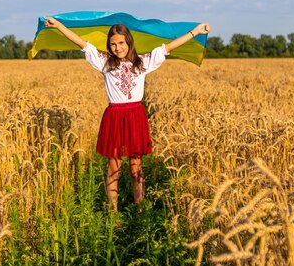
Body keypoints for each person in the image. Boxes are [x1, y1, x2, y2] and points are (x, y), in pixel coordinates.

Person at [43, 16, 211, 211]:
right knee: (113, 167)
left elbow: (169, 47)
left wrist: (196, 32)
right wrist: (60, 25)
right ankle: (113, 212)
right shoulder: (105, 63)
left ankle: (140, 209)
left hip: (135, 116)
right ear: (109, 46)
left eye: (121, 43)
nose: (117, 48)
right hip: (114, 116)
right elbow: (81, 43)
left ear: (128, 42)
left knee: (135, 167)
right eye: (113, 44)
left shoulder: (143, 63)